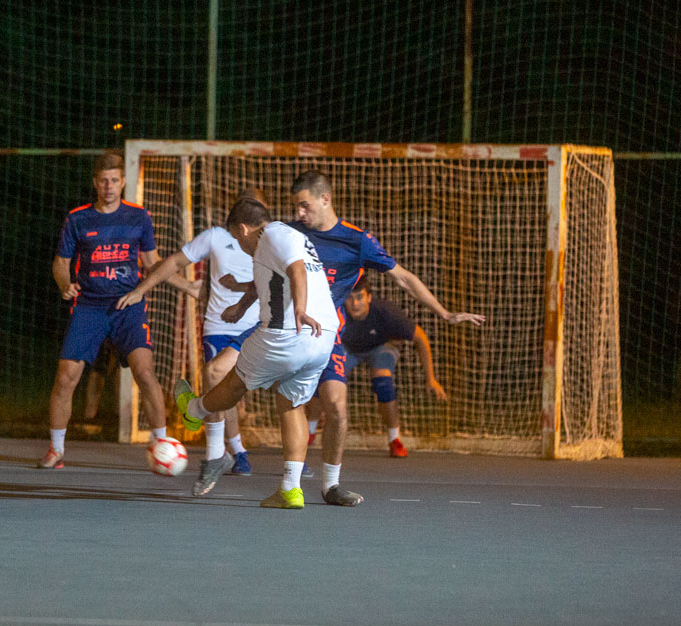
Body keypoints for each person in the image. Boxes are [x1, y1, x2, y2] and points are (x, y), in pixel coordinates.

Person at [228, 170, 484, 505]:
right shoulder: (290, 233)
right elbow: (265, 273)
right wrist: (240, 306)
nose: (299, 213)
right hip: (287, 328)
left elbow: (403, 278)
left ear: (325, 199)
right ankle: (228, 446)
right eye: (296, 207)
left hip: (326, 335)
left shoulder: (357, 241)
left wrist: (444, 313)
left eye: (304, 205)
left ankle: (330, 486)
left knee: (336, 406)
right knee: (235, 375)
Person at [173, 198, 339, 508]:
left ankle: (194, 410)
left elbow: (297, 270)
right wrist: (241, 306)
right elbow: (268, 279)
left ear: (243, 229)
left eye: (237, 239)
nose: (240, 246)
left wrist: (300, 309)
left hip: (288, 331)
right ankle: (290, 490)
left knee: (232, 381)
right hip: (323, 337)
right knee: (291, 404)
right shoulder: (281, 240)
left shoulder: (274, 234)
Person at [41, 152, 196, 469]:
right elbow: (61, 263)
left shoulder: (138, 216)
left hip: (128, 306)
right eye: (103, 181)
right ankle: (56, 450)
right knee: (66, 377)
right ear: (95, 183)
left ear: (123, 182)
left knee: (145, 373)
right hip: (89, 307)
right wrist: (64, 284)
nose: (109, 186)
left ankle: (161, 443)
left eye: (114, 180)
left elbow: (153, 264)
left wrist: (188, 286)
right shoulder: (78, 218)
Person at [116, 189, 266, 478]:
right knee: (222, 386)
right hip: (220, 328)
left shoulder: (275, 242)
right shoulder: (215, 237)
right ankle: (233, 452)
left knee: (282, 384)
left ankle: (294, 458)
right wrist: (142, 290)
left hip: (258, 326)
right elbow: (173, 263)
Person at [341, 277, 448, 457]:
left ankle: (394, 439)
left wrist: (431, 378)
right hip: (348, 349)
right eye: (350, 298)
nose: (355, 303)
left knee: (383, 382)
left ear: (369, 297)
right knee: (327, 379)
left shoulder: (386, 312)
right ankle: (311, 430)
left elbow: (421, 338)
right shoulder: (337, 313)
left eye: (359, 297)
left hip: (381, 347)